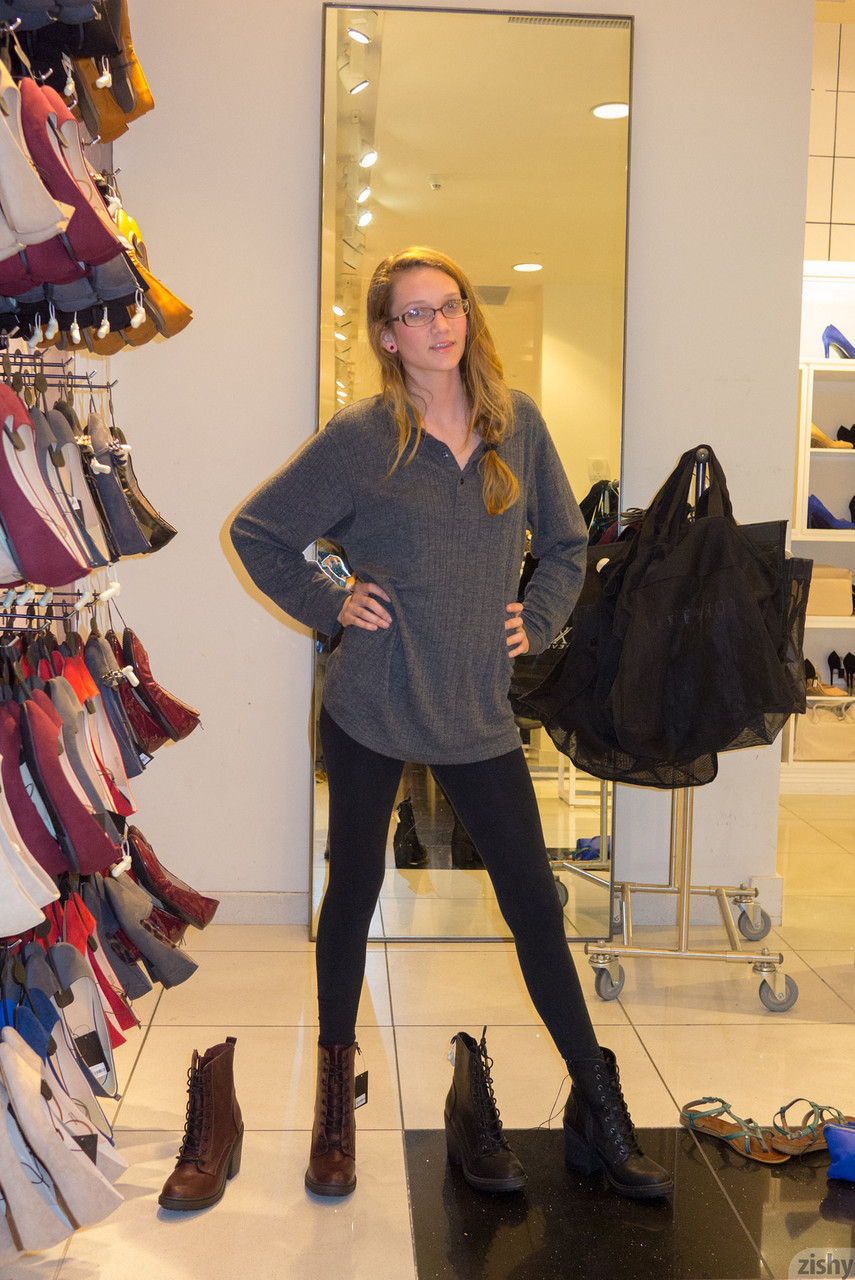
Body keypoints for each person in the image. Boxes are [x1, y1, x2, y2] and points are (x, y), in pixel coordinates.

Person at [229, 247, 672, 1202]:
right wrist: (332, 604)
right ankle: (335, 1103)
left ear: (467, 317)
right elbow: (259, 532)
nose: (439, 324)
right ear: (387, 336)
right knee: (353, 891)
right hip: (373, 701)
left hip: (475, 703)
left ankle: (595, 1103)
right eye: (416, 313)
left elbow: (566, 543)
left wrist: (538, 616)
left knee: (534, 905)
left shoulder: (519, 425)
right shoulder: (362, 437)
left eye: (450, 306)